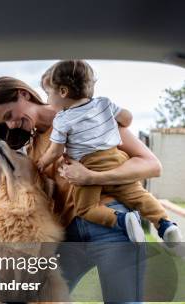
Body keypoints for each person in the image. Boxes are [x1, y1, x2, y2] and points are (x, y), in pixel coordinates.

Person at [0, 76, 161, 304]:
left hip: (113, 226)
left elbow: (151, 165)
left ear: (23, 94)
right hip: (69, 236)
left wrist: (91, 177)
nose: (11, 125)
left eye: (9, 114)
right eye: (4, 122)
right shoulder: (32, 146)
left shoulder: (88, 114)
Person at [36, 60, 182, 243]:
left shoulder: (62, 120)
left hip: (88, 165)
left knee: (86, 209)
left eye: (48, 93)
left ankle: (121, 220)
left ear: (63, 92)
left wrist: (41, 162)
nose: (48, 100)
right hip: (116, 159)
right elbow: (127, 118)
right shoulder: (104, 103)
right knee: (139, 196)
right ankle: (164, 224)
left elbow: (55, 152)